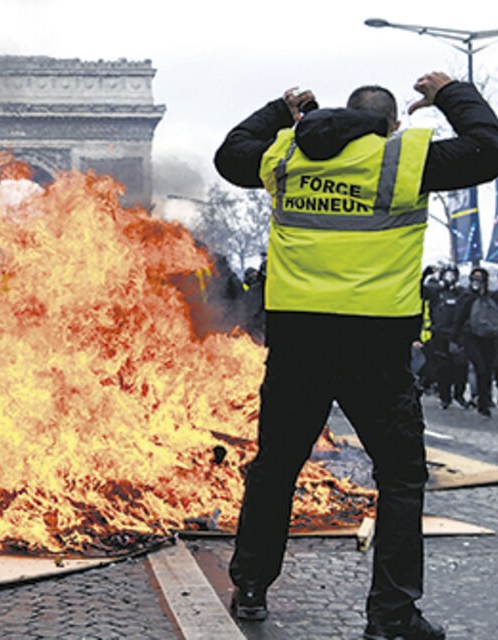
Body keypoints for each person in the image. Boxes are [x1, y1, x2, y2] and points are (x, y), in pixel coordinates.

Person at [214, 71, 498, 640]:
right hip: (377, 348)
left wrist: (281, 109)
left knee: (275, 471)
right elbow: (488, 148)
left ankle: (249, 587)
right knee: (399, 480)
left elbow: (229, 157)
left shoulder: (288, 157)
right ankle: (391, 615)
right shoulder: (405, 161)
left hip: (298, 346)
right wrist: (449, 94)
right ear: (392, 125)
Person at [453, 267, 498, 417]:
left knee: (487, 369)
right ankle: (481, 401)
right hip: (471, 337)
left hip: (489, 338)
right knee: (480, 368)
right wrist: (455, 338)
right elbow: (459, 317)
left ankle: (484, 399)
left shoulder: (493, 297)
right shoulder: (467, 297)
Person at [427, 265, 467, 409]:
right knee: (443, 367)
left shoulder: (461, 293)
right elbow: (419, 291)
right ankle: (445, 397)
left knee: (461, 366)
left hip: (457, 335)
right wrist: (426, 273)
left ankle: (459, 395)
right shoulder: (436, 292)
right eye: (447, 275)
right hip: (440, 334)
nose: (450, 278)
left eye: (452, 275)